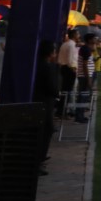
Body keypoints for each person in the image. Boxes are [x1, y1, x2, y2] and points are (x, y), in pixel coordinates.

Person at [33, 40, 60, 174]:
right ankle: (39, 160)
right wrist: (57, 93)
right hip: (45, 102)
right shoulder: (48, 67)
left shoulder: (38, 64)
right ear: (50, 53)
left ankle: (39, 158)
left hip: (40, 100)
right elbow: (52, 87)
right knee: (46, 130)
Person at [57, 30, 79, 116]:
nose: (79, 36)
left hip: (64, 68)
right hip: (69, 69)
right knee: (68, 91)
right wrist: (73, 69)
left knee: (64, 91)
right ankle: (64, 111)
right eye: (77, 34)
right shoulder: (71, 45)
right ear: (74, 35)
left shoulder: (65, 44)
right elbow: (70, 60)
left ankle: (61, 110)